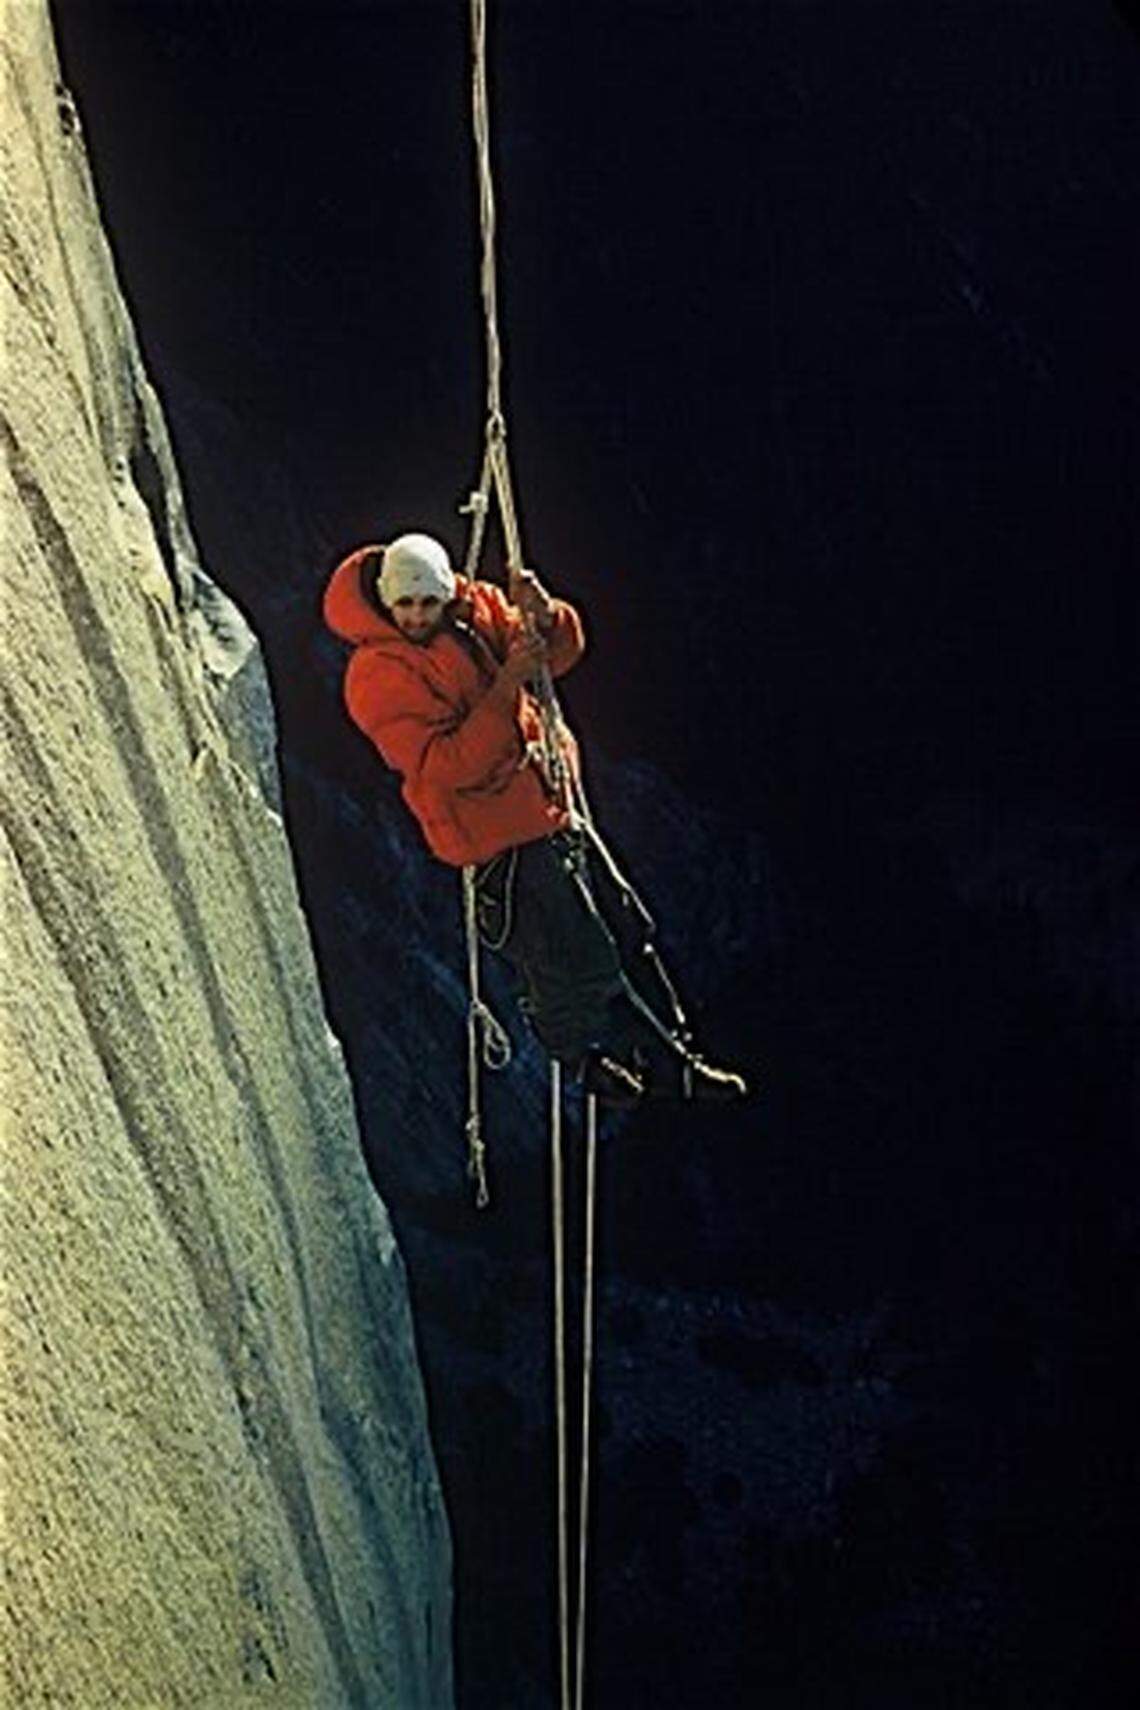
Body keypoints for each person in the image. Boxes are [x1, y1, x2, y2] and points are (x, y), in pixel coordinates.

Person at [323, 531, 747, 1106]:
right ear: (385, 599)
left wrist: (546, 618)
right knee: (575, 955)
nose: (417, 616)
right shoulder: (376, 675)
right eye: (406, 605)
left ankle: (668, 1052)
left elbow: (553, 657)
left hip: (544, 802)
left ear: (445, 593)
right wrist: (508, 684)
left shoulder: (475, 609)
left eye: (427, 603)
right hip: (495, 831)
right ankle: (608, 1061)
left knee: (626, 927)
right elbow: (447, 766)